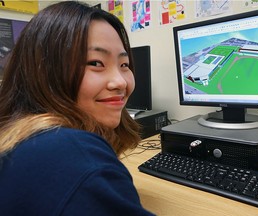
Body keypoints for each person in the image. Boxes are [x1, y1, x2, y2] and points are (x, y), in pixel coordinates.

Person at [0, 1, 155, 215]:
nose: (120, 82)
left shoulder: (24, 138)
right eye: (95, 63)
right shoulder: (69, 152)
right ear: (44, 70)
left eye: (124, 65)